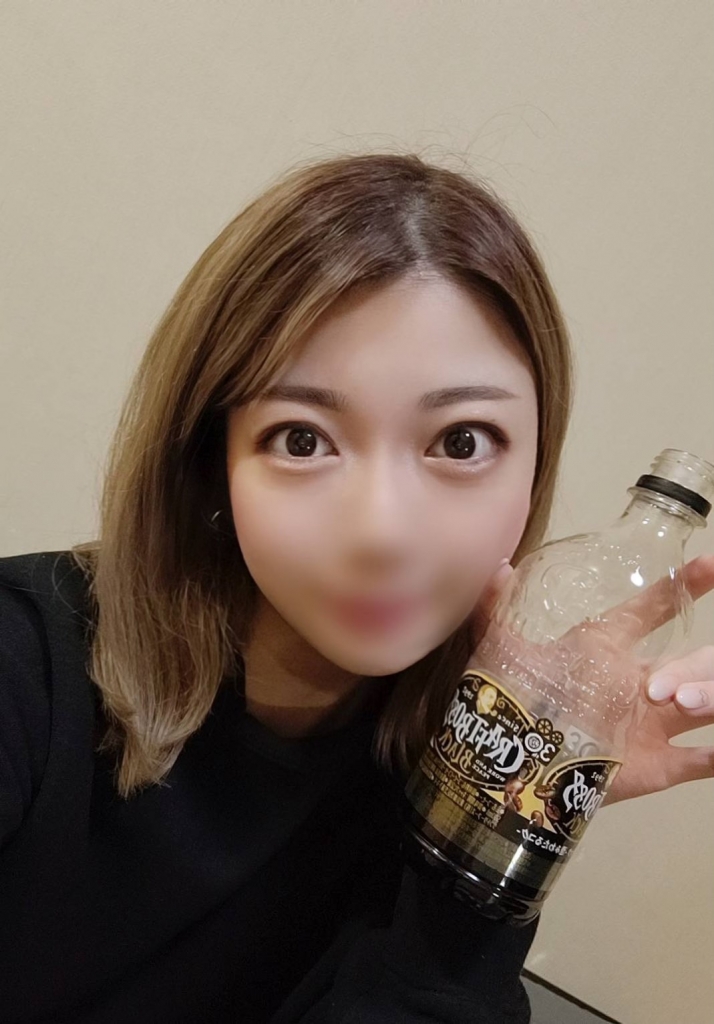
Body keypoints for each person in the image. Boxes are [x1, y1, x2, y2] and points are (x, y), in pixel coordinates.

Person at [1, 153, 713, 1024]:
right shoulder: (25, 668)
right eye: (301, 439)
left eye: (460, 442)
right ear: (211, 465)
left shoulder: (466, 746)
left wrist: (503, 822)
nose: (383, 532)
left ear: (534, 469)